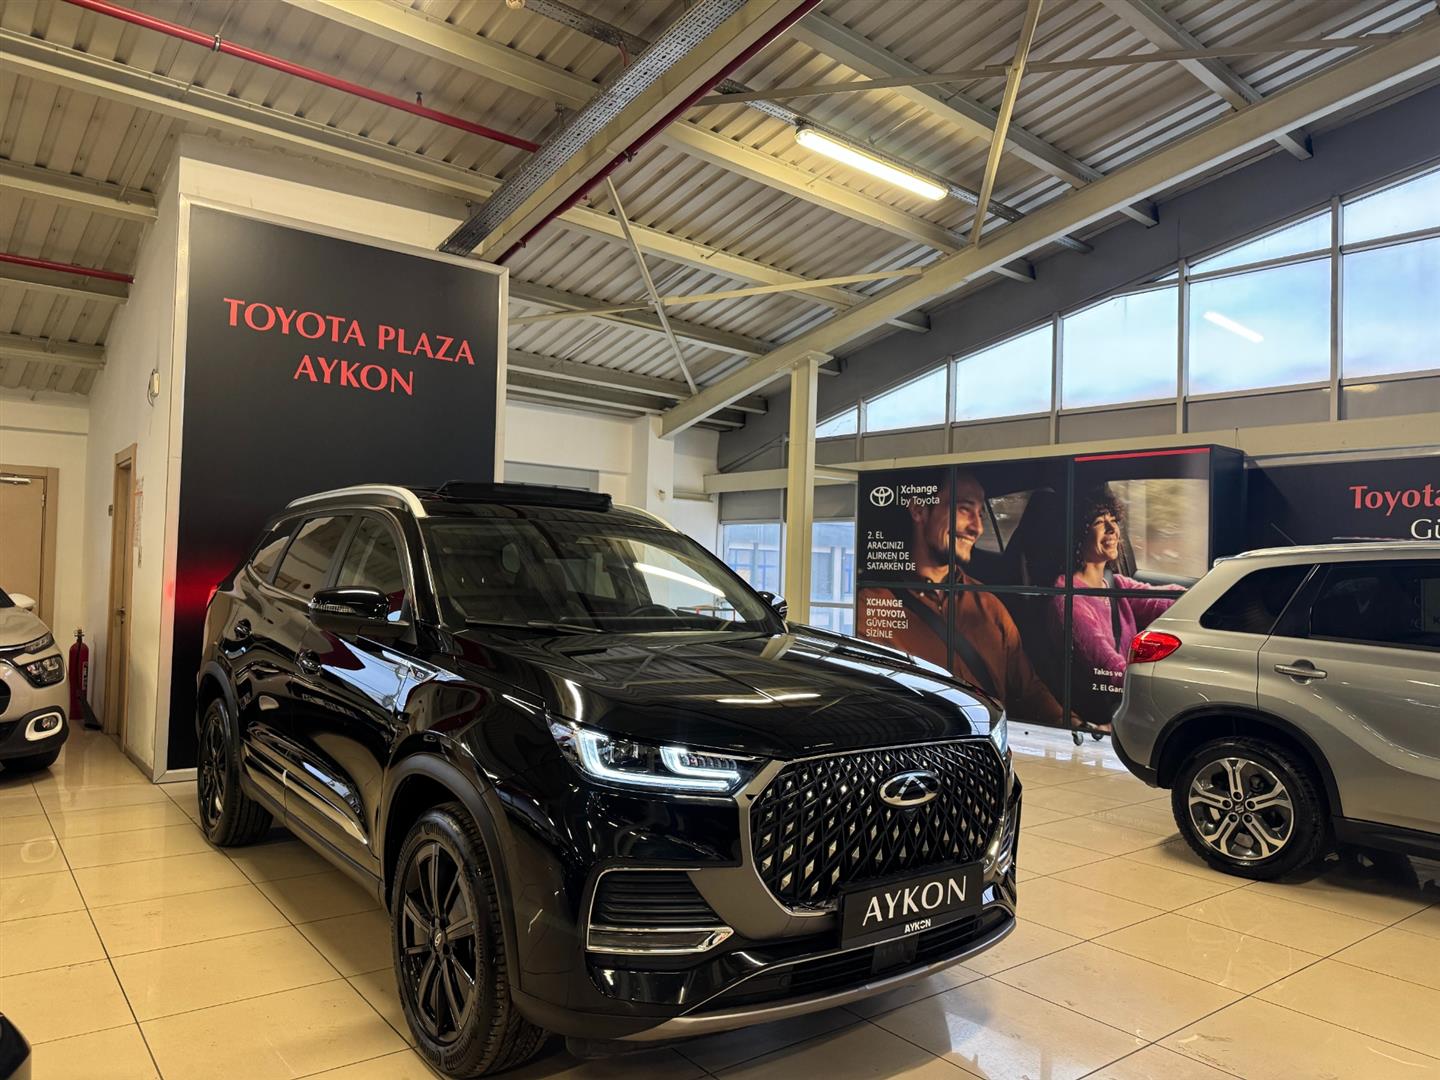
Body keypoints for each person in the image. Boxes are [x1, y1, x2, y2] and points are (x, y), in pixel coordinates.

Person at [860, 470, 1073, 728]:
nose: (977, 528)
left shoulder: (989, 605)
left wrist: (1075, 726)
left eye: (980, 514)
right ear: (918, 510)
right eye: (964, 509)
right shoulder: (868, 605)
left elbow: (1029, 690)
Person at [1053, 487, 1184, 739]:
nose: (1112, 529)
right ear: (1078, 533)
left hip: (1127, 696)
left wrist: (1202, 596)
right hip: (1107, 710)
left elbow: (1160, 599)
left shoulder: (1113, 583)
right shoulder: (1068, 599)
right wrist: (1165, 686)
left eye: (1113, 520)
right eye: (1099, 522)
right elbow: (1109, 667)